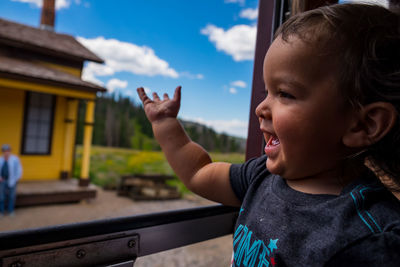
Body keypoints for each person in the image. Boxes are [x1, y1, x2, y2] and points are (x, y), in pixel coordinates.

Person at [137, 3, 400, 266]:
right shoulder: (262, 175)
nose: (260, 108)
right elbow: (198, 173)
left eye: (284, 93)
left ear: (363, 125)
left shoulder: (372, 239)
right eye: (267, 93)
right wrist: (165, 124)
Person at [0, 144, 22, 216]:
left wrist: (16, 178)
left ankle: (11, 210)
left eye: (8, 151)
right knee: (1, 196)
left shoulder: (15, 159)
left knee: (11, 196)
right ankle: (1, 211)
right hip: (2, 181)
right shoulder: (0, 159)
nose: (6, 152)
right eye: (4, 151)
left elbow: (19, 169)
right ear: (3, 152)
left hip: (12, 180)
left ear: (10, 151)